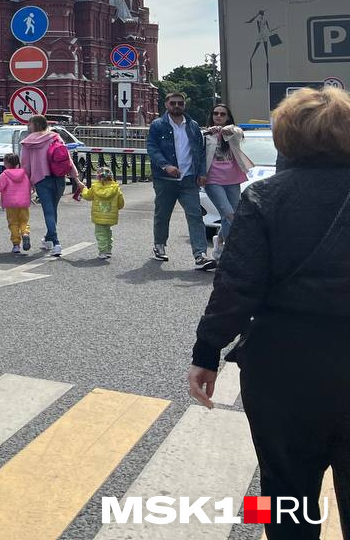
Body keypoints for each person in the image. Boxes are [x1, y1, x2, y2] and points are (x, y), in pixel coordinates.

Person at [188, 87, 350, 538]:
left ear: (285, 138)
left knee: (281, 489)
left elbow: (235, 289)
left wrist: (206, 353)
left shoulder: (263, 199)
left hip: (282, 369)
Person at [147, 91, 214, 271]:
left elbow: (200, 151)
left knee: (195, 216)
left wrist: (201, 173)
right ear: (166, 105)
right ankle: (159, 244)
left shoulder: (192, 126)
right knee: (163, 214)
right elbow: (152, 148)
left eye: (180, 103)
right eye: (173, 103)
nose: (177, 106)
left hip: (189, 179)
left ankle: (200, 255)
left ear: (184, 106)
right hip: (165, 179)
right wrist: (165, 165)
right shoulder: (158, 125)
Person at [20, 115, 82, 258]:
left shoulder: (27, 143)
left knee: (48, 211)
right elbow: (67, 158)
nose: (28, 127)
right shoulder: (55, 137)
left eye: (30, 125)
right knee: (53, 210)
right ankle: (48, 239)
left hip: (41, 179)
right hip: (59, 178)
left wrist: (28, 185)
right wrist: (75, 177)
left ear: (34, 125)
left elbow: (26, 166)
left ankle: (56, 243)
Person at [201, 103, 254, 259]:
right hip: (212, 179)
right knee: (228, 213)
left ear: (228, 117)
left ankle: (220, 243)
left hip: (232, 178)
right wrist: (208, 132)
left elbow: (238, 132)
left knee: (231, 214)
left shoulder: (232, 132)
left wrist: (225, 129)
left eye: (222, 114)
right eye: (215, 113)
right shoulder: (205, 134)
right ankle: (234, 250)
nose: (218, 116)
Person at [81, 166, 124, 259]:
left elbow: (87, 196)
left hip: (98, 216)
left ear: (98, 177)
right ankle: (108, 250)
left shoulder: (95, 187)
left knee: (100, 233)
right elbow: (121, 204)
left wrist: (83, 189)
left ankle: (103, 251)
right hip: (110, 216)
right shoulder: (116, 188)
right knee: (108, 232)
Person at [0, 153, 32, 253]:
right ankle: (25, 234)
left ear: (6, 163)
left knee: (13, 223)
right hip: (23, 202)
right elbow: (29, 187)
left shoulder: (5, 174)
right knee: (24, 221)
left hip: (11, 203)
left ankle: (16, 245)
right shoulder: (24, 174)